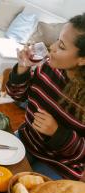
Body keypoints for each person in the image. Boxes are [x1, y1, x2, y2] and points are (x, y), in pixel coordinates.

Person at [6, 13, 85, 180]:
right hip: (26, 140)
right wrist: (23, 68)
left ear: (82, 60)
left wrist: (57, 133)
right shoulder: (48, 68)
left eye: (62, 46)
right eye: (57, 40)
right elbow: (16, 95)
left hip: (59, 164)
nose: (52, 47)